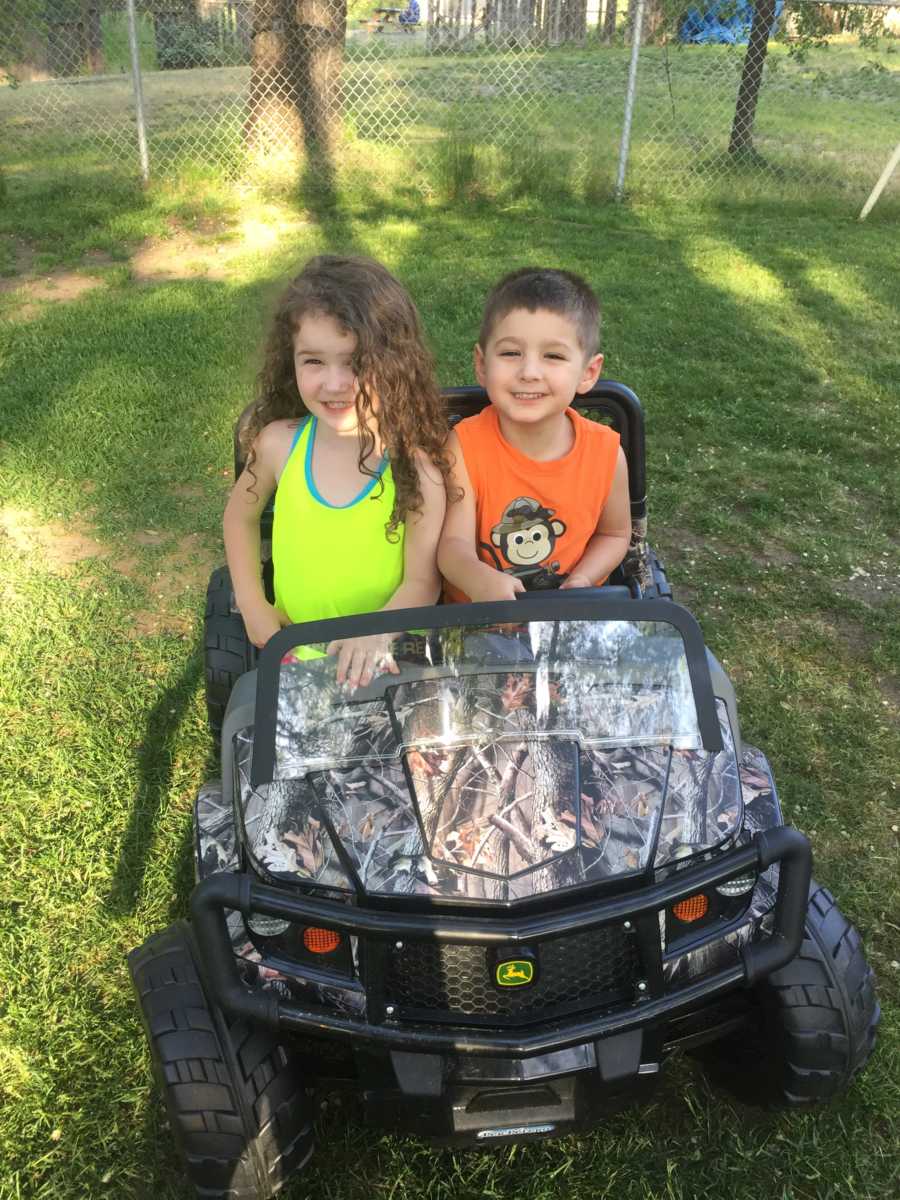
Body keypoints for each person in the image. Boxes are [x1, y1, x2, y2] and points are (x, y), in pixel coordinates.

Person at [224, 254, 449, 687]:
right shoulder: (277, 445)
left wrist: (374, 634)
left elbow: (423, 582)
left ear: (394, 364)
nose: (333, 383)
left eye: (355, 363)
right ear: (290, 359)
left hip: (393, 658)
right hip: (297, 652)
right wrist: (253, 605)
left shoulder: (417, 467)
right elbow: (239, 517)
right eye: (313, 361)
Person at [439, 267, 630, 603]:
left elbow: (615, 534)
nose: (529, 372)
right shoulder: (465, 446)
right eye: (511, 353)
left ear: (588, 373)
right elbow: (452, 547)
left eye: (553, 356)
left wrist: (584, 577)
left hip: (570, 619)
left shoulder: (606, 453)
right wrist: (479, 579)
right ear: (482, 365)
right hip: (478, 627)